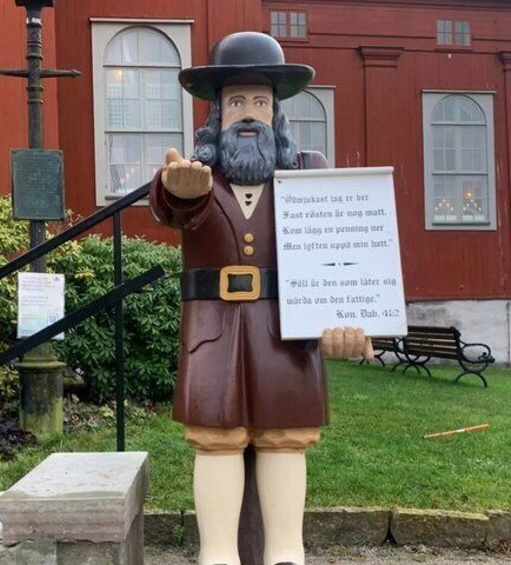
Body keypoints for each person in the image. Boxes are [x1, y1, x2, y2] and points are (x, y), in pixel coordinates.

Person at [149, 32, 373, 565]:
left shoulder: (309, 174)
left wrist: (346, 318)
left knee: (286, 437)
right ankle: (217, 554)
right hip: (213, 331)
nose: (248, 113)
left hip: (286, 331)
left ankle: (286, 553)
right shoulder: (195, 176)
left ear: (276, 112)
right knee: (216, 439)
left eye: (259, 101)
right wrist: (177, 189)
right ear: (216, 113)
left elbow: (341, 249)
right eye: (235, 102)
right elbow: (170, 204)